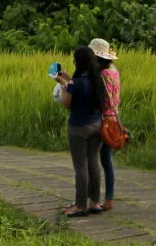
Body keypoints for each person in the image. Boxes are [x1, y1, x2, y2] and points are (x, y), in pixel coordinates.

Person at [56, 46, 106, 217]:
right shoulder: (97, 80)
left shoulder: (76, 84)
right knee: (93, 162)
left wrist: (63, 84)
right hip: (96, 124)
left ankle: (80, 205)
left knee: (81, 166)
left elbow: (66, 103)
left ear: (78, 61)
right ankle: (95, 202)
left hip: (79, 127)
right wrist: (69, 80)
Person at [90, 38, 120, 211]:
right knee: (107, 161)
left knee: (93, 160)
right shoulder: (113, 70)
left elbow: (97, 100)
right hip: (114, 120)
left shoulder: (100, 74)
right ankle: (109, 199)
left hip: (102, 120)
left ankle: (93, 199)